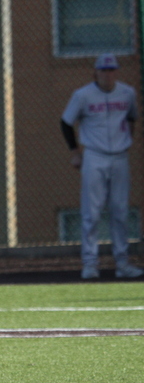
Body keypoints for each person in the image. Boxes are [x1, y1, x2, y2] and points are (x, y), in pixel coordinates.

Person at [60, 53, 143, 280]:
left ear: (116, 71)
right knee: (91, 213)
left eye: (112, 69)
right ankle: (89, 264)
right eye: (104, 70)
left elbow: (132, 117)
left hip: (119, 157)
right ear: (95, 72)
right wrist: (75, 153)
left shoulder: (127, 93)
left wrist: (127, 142)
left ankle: (122, 263)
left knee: (120, 211)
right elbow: (66, 122)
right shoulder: (83, 95)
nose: (108, 74)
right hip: (94, 156)